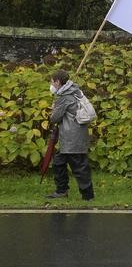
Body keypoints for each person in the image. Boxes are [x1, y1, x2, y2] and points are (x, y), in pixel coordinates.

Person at [46, 69, 94, 200]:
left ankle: (88, 196)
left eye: (52, 81)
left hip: (72, 137)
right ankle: (62, 191)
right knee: (58, 162)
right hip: (72, 136)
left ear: (58, 82)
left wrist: (55, 107)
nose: (51, 84)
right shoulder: (74, 91)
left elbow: (55, 118)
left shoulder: (64, 97)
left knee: (79, 167)